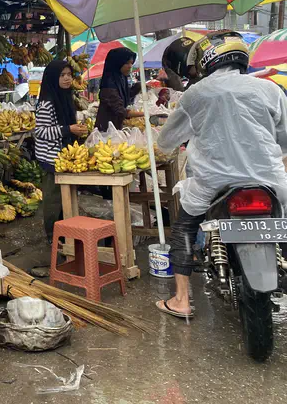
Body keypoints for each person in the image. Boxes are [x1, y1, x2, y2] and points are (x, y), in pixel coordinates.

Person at [155, 31, 287, 319]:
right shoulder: (270, 90)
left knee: (185, 227)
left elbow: (166, 141)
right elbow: (284, 138)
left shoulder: (196, 94)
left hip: (214, 181)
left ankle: (180, 300)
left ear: (207, 61)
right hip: (269, 180)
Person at [34, 61, 88, 241]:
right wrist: (68, 129)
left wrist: (75, 130)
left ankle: (66, 231)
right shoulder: (47, 103)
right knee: (53, 198)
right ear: (52, 78)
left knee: (67, 196)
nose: (67, 78)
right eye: (62, 75)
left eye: (69, 75)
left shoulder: (66, 97)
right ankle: (52, 235)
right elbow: (40, 131)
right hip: (50, 157)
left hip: (64, 154)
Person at [96, 47, 145, 132]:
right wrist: (146, 114)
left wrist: (140, 86)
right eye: (127, 63)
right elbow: (120, 111)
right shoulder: (108, 85)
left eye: (131, 63)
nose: (130, 66)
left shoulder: (121, 78)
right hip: (106, 130)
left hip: (117, 126)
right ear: (118, 63)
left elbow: (126, 94)